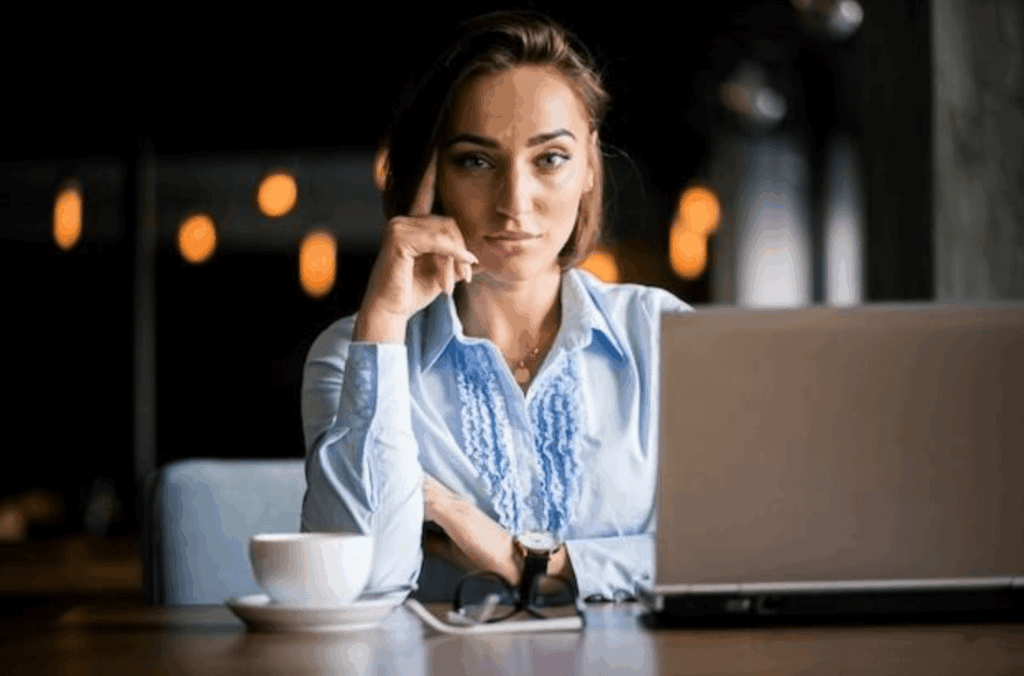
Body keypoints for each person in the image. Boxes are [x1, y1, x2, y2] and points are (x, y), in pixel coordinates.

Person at [300, 10, 692, 603]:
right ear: (428, 178)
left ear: (589, 164)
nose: (515, 202)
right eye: (475, 161)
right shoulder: (351, 356)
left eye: (550, 159)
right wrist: (382, 321)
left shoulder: (666, 336)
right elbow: (363, 581)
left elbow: (719, 559)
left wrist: (527, 561)